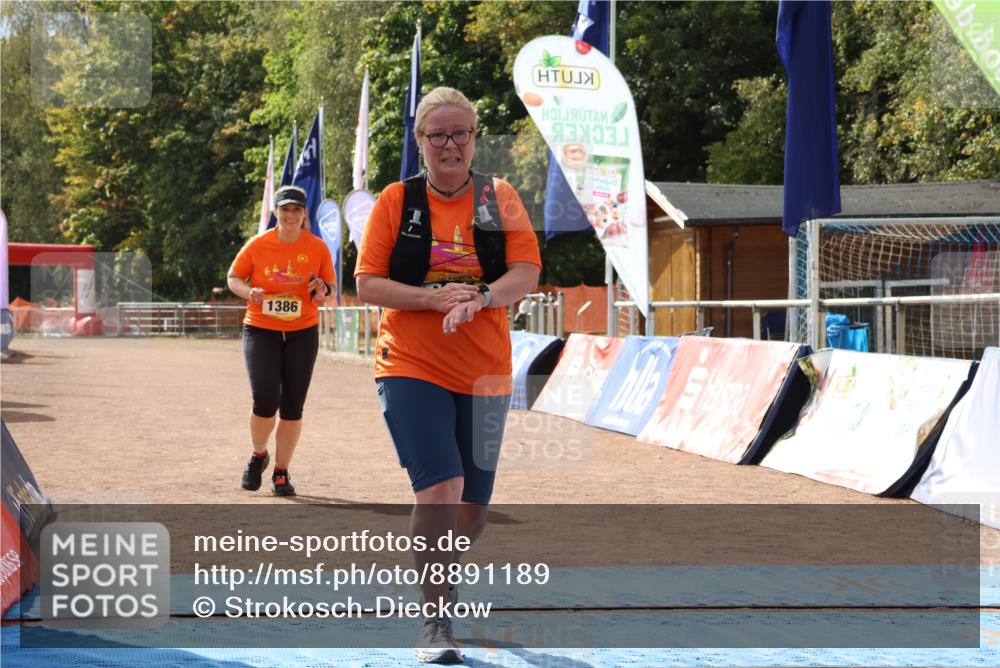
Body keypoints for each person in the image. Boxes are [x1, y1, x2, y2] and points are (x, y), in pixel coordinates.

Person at [356, 86, 541, 664]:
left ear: (474, 138)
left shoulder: (499, 197)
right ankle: (435, 621)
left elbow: (526, 271)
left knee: (472, 512)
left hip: (486, 371)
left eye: (460, 133)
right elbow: (367, 284)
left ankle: (435, 571)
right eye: (437, 135)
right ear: (420, 144)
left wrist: (482, 297)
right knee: (441, 488)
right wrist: (431, 300)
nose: (450, 145)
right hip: (411, 364)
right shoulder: (396, 200)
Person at [227, 185, 335, 497]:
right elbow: (233, 277)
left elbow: (328, 286)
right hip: (261, 328)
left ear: (305, 214)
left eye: (296, 210)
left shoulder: (317, 247)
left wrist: (321, 289)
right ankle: (258, 454)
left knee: (292, 405)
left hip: (303, 331)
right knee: (265, 398)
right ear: (276, 212)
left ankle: (281, 472)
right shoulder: (259, 244)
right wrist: (251, 293)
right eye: (285, 209)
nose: (290, 215)